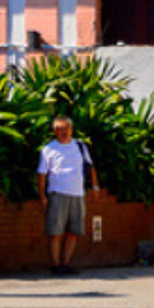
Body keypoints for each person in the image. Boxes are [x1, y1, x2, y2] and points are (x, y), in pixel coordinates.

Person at [37, 115, 99, 275]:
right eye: (60, 129)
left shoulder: (80, 146)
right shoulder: (49, 149)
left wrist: (95, 186)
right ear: (55, 131)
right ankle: (55, 265)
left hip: (77, 194)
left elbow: (90, 166)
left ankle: (66, 263)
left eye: (67, 128)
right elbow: (42, 174)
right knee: (55, 231)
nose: (64, 132)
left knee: (74, 231)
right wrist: (42, 196)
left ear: (71, 130)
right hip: (57, 193)